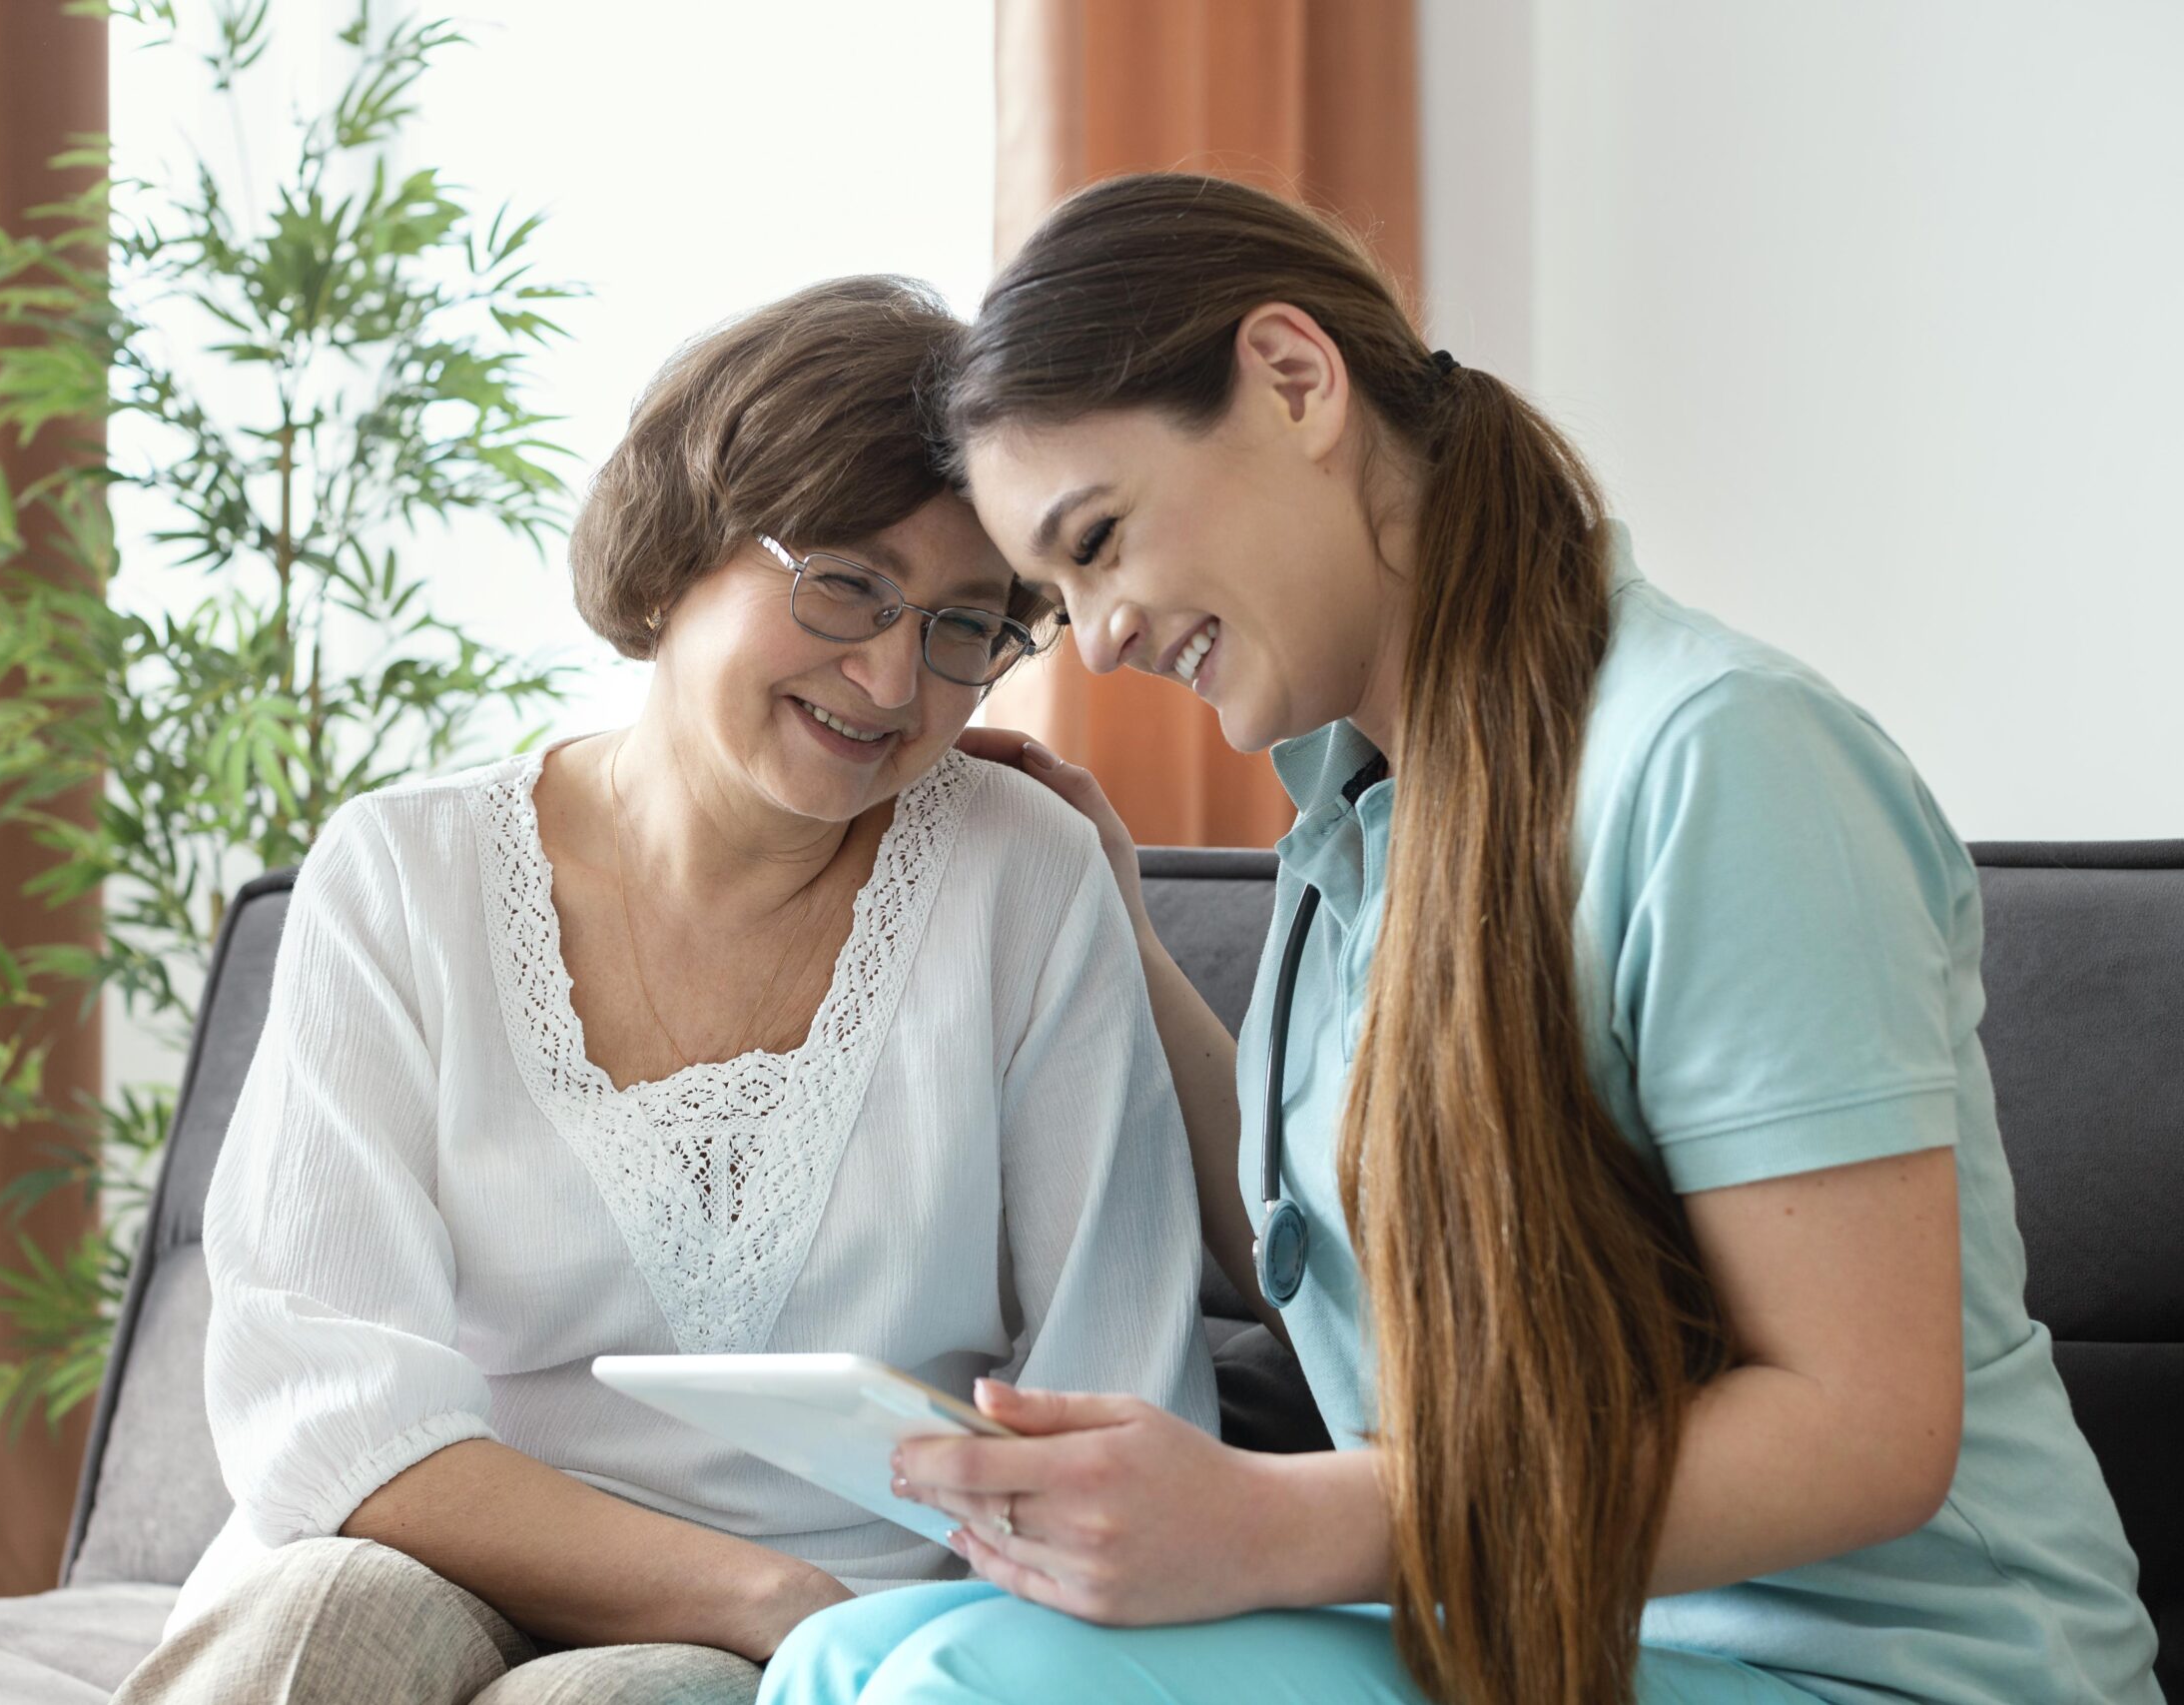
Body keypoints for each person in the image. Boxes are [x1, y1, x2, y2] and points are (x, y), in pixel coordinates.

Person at [764, 175, 2162, 1705]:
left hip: (1884, 1676)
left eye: (1098, 539)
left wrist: (1272, 1526)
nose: (1096, 641)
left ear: (1294, 380)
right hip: (1532, 1644)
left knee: (959, 1684)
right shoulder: (1362, 818)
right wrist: (1120, 935)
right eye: (1057, 593)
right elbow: (1329, 1260)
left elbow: (1863, 1429)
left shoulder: (1722, 761)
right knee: (843, 1654)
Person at [112, 276, 1219, 1705]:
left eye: (963, 626)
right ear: (678, 553)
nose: (893, 676)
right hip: (443, 1546)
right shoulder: (401, 872)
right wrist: (766, 1594)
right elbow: (325, 1410)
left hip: (840, 1627)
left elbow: (1117, 1392)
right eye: (848, 584)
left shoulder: (1025, 879)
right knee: (323, 1622)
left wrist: (833, 1626)